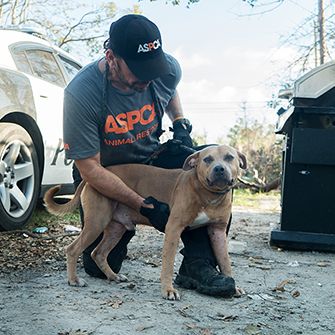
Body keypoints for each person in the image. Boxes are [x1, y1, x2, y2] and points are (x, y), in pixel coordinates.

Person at [63, 14, 235, 298]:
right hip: (105, 172)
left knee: (211, 164)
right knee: (97, 266)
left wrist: (179, 122)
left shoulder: (166, 69)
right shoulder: (82, 93)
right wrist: (144, 206)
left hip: (151, 157)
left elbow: (170, 88)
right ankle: (116, 236)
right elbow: (90, 169)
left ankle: (198, 264)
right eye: (139, 72)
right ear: (111, 58)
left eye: (152, 69)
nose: (147, 79)